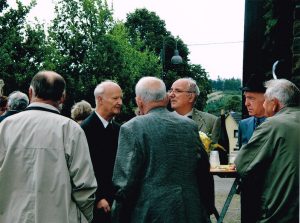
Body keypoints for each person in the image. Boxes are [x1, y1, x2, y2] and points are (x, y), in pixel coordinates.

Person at [0, 71, 97, 223]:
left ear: (30, 92)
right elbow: (84, 185)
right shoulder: (70, 129)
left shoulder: (5, 126)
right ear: (62, 97)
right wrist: (85, 217)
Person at [111, 76, 211, 223]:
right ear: (165, 98)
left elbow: (125, 183)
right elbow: (203, 171)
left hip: (151, 214)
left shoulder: (132, 127)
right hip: (190, 211)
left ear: (139, 101)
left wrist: (117, 215)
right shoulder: (189, 126)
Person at [235, 79, 300, 223]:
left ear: (274, 103)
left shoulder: (273, 124)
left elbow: (243, 165)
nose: (264, 105)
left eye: (266, 101)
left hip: (281, 212)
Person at [81, 80, 123, 223]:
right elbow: (83, 168)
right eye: (115, 98)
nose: (120, 102)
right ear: (99, 99)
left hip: (116, 202)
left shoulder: (119, 130)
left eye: (121, 98)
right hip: (96, 206)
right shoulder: (85, 130)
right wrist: (98, 197)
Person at [169, 77, 220, 142]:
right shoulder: (161, 121)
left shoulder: (212, 122)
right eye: (170, 90)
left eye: (178, 91)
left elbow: (217, 150)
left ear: (191, 97)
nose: (171, 95)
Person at [238, 73, 267, 148]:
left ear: (266, 99)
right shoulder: (243, 124)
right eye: (246, 98)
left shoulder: (277, 125)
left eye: (251, 98)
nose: (246, 104)